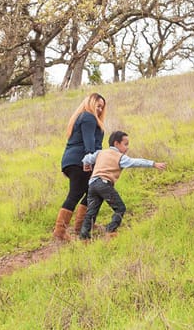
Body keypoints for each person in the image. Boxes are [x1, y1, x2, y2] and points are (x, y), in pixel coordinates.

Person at [79, 131, 166, 240]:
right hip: (104, 184)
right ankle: (110, 230)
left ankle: (84, 237)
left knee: (91, 212)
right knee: (120, 208)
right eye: (125, 144)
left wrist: (85, 164)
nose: (127, 148)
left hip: (92, 184)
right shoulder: (120, 157)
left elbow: (87, 158)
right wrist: (153, 164)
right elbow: (135, 162)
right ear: (116, 144)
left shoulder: (100, 153)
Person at [53, 93, 107, 241]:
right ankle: (60, 231)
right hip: (81, 160)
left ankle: (82, 225)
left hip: (74, 160)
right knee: (77, 193)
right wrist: (89, 161)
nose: (101, 110)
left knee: (92, 191)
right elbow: (89, 140)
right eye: (98, 105)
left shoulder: (81, 117)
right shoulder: (88, 117)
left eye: (102, 107)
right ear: (90, 103)